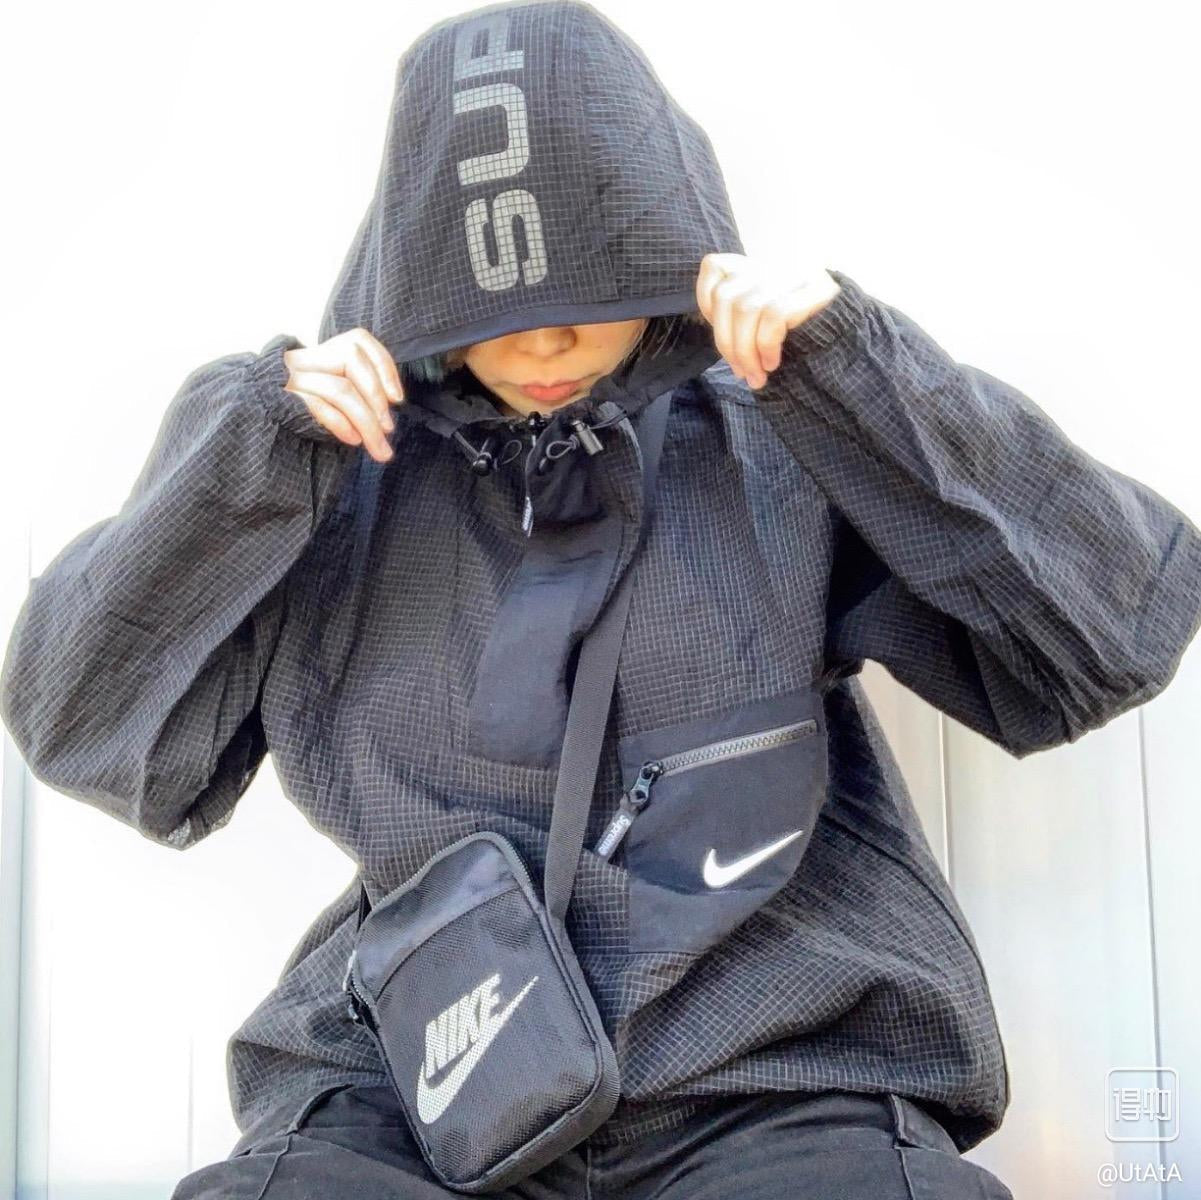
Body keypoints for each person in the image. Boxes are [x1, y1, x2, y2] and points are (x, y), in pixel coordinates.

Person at [3, 1, 1200, 1196]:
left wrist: (863, 377)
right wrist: (245, 463)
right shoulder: (326, 469)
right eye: (488, 300)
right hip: (422, 1076)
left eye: (588, 275)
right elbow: (86, 728)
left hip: (773, 1064)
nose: (545, 337)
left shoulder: (777, 438)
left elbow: (1106, 636)